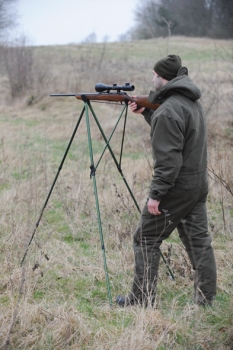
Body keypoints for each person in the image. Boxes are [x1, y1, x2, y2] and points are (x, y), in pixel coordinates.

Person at [116, 55, 217, 307]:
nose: (152, 79)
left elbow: (169, 161)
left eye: (155, 75)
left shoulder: (169, 110)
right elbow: (176, 134)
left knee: (146, 238)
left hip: (176, 187)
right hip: (196, 185)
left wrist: (156, 195)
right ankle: (205, 301)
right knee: (199, 243)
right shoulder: (188, 101)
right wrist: (147, 114)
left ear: (164, 78)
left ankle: (142, 299)